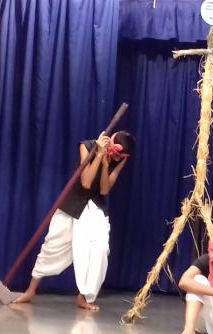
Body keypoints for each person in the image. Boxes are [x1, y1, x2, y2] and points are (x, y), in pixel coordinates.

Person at [13, 131, 135, 311]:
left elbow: (104, 190)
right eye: (115, 154)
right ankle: (30, 291)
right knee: (52, 245)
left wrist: (105, 165)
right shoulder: (87, 146)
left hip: (95, 208)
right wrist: (98, 155)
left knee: (100, 249)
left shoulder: (119, 160)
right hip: (73, 203)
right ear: (110, 143)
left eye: (120, 157)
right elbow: (85, 182)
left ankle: (84, 296)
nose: (116, 158)